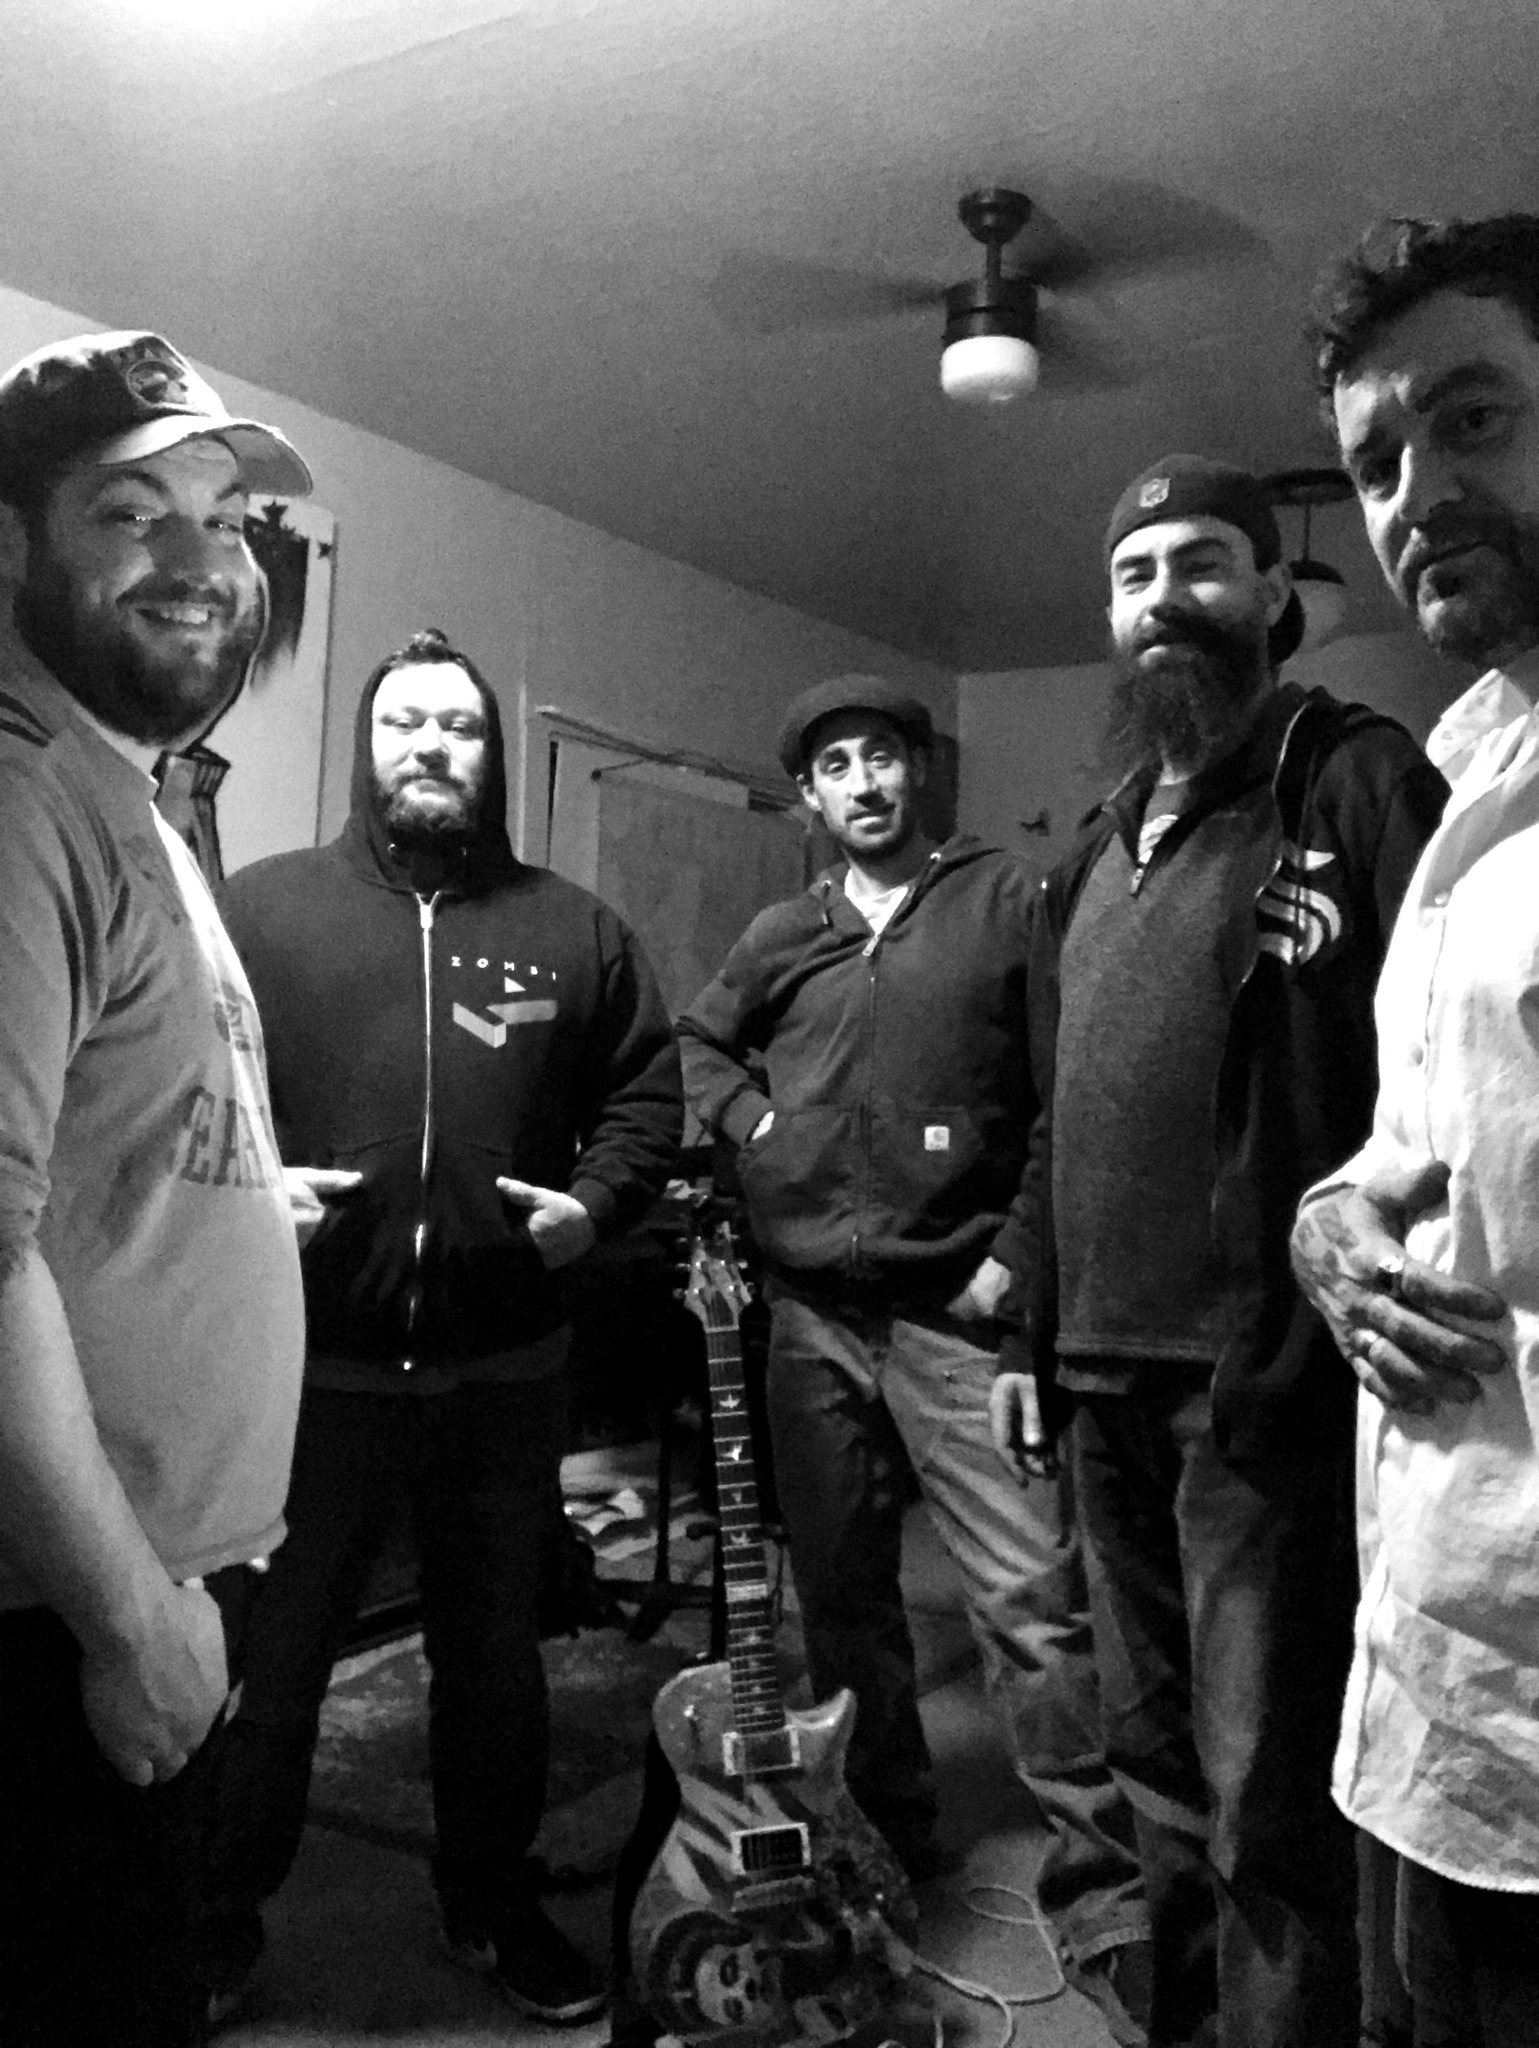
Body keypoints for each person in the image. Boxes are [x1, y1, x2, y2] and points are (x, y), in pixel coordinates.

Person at [991, 456, 1448, 2048]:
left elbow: (1451, 1063)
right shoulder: (1093, 853)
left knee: (1269, 1784)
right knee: (1151, 1762)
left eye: (1200, 563)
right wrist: (1030, 1334)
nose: (1163, 598)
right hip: (1097, 1376)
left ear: (1272, 593)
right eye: (1134, 574)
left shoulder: (1351, 778)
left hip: (1261, 1388)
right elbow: (1058, 1112)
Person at [200, 625, 683, 2026]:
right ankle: (217, 1922)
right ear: (369, 748)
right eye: (404, 723)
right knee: (272, 1670)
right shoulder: (262, 911)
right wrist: (252, 1189)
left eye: (457, 726)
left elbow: (648, 1097)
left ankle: (490, 1903)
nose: (429, 746)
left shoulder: (575, 930)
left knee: (492, 1667)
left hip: (501, 1375)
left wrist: (598, 1204)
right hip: (313, 1374)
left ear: (491, 754)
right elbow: (186, 1081)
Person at [677, 675, 1150, 2042]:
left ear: (917, 772)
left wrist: (1016, 1261)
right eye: (836, 766)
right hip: (809, 1318)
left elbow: (1066, 1094)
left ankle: (1105, 1894)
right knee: (841, 1601)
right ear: (811, 797)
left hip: (958, 1317)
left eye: (882, 756)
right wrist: (761, 1131)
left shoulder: (1007, 901)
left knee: (1031, 1602)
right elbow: (698, 1045)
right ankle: (886, 1840)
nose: (864, 783)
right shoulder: (788, 932)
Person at [0, 329, 338, 2046]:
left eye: (225, 514)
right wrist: (129, 1619)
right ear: (10, 543)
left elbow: (86, 1146)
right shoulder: (21, 798)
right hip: (65, 1616)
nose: (203, 558)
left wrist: (240, 1202)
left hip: (155, 1574)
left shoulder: (122, 794)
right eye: (131, 513)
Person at [1290, 214, 1539, 2046]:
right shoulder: (1469, 783)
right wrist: (1333, 1222)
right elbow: (1408, 1142)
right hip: (1433, 1660)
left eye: (1476, 421)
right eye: (1378, 461)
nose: (1416, 495)